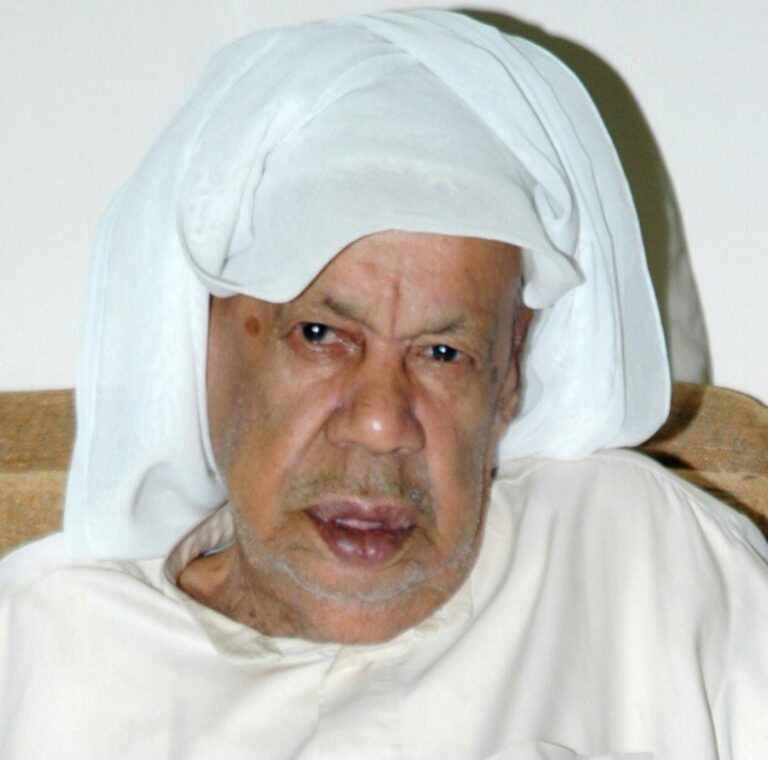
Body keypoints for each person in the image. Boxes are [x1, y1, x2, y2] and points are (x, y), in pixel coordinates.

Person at [1, 10, 766, 759]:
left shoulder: (647, 564)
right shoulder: (51, 655)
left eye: (443, 352)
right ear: (206, 337)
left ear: (509, 370)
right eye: (320, 335)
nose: (380, 423)